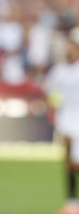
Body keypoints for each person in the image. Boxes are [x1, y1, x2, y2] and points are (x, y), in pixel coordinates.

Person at [47, 28, 79, 214]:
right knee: (69, 163)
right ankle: (72, 203)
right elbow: (51, 93)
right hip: (66, 121)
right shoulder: (59, 70)